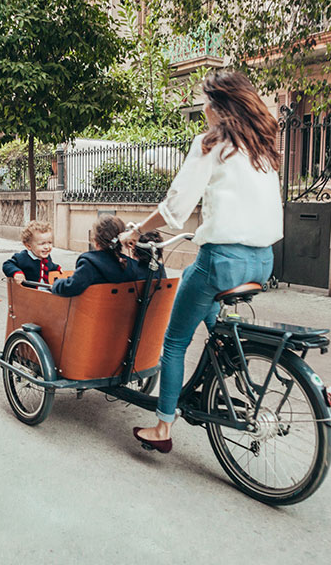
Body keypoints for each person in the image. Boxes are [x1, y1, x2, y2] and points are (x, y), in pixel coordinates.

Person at [120, 71, 283, 454]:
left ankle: (162, 427)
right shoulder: (261, 145)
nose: (203, 108)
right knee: (202, 293)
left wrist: (136, 231)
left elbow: (176, 206)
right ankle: (225, 370)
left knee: (174, 341)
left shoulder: (211, 143)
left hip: (223, 260)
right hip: (263, 262)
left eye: (206, 101)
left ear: (218, 106)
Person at [51, 215, 163, 297]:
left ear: (95, 241)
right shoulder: (130, 266)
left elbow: (70, 288)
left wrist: (56, 284)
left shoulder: (90, 265)